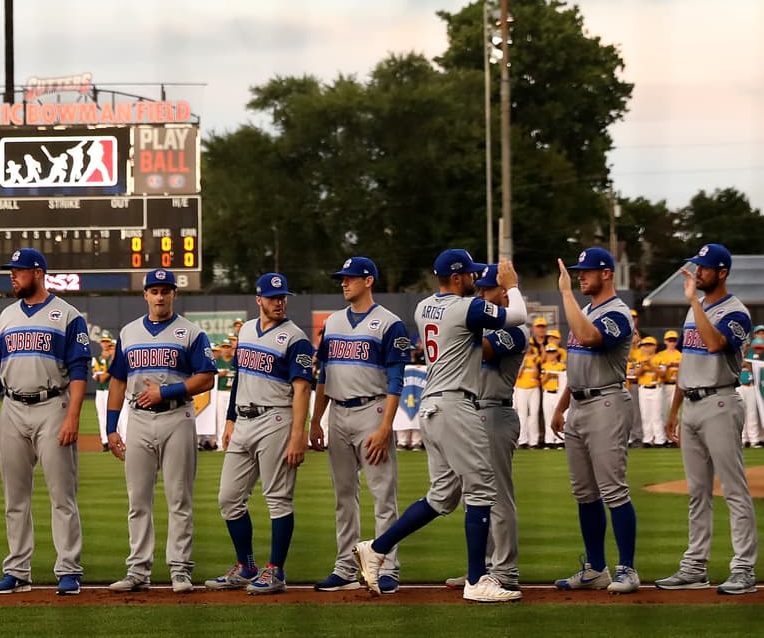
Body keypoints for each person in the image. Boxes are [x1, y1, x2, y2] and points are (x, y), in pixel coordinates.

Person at [352, 251, 527, 604]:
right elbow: (519, 316)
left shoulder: (423, 306)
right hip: (455, 404)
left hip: (432, 407)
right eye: (472, 276)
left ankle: (377, 547)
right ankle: (477, 580)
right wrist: (512, 286)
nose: (477, 282)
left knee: (442, 496)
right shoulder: (466, 309)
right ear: (459, 277)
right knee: (481, 491)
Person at [0, 248, 91, 596]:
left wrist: (73, 414)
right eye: (11, 271)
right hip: (12, 408)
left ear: (38, 272)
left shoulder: (67, 315)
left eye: (19, 271)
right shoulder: (6, 316)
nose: (12, 276)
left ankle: (69, 569)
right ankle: (17, 570)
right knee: (15, 497)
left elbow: (78, 369)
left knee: (62, 495)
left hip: (51, 406)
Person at [105, 268, 216, 595]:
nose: (160, 296)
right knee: (138, 500)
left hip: (176, 417)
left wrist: (165, 392)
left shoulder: (191, 333)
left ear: (174, 294)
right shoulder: (128, 333)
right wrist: (111, 428)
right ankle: (138, 570)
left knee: (179, 498)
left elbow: (207, 377)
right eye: (154, 290)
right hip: (138, 418)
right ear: (146, 295)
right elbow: (118, 380)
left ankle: (180, 570)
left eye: (165, 290)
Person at [657, 244, 758, 595]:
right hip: (693, 404)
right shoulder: (693, 312)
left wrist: (695, 304)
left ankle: (743, 568)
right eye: (697, 266)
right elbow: (688, 363)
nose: (698, 272)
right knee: (697, 492)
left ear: (722, 272)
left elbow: (716, 345)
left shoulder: (736, 312)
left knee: (733, 489)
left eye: (704, 268)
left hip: (721, 401)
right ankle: (694, 566)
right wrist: (674, 410)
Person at [205, 273, 315, 595]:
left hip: (276, 419)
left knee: (278, 499)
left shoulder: (296, 339)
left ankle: (276, 571)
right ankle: (246, 566)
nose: (278, 302)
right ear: (259, 300)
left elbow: (302, 389)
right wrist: (229, 419)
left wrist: (299, 434)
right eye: (272, 297)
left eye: (282, 297)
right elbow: (239, 376)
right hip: (243, 419)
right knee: (228, 498)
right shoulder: (248, 330)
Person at [310, 257, 412, 594]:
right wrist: (315, 419)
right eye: (342, 278)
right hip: (338, 413)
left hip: (372, 410)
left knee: (383, 494)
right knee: (344, 496)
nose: (344, 282)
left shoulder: (389, 323)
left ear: (368, 281)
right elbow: (323, 374)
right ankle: (345, 566)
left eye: (350, 278)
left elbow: (397, 378)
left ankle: (388, 567)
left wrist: (386, 426)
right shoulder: (334, 322)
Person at [550, 247, 640, 595]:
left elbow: (590, 338)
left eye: (587, 270)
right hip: (581, 404)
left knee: (613, 490)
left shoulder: (617, 313)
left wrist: (564, 293)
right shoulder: (586, 310)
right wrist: (561, 406)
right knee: (585, 494)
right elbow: (577, 366)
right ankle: (595, 568)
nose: (580, 276)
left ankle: (627, 569)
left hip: (607, 402)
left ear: (607, 273)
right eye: (578, 271)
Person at [442, 263, 528, 592]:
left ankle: (504, 571)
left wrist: (454, 329)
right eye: (478, 289)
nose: (480, 294)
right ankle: (481, 570)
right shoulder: (479, 321)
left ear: (503, 292)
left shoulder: (515, 329)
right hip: (471, 412)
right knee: (475, 498)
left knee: (499, 498)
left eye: (486, 289)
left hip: (494, 413)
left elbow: (485, 350)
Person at [635, 337, 666, 447]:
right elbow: (636, 374)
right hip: (643, 388)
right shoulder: (640, 358)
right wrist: (644, 365)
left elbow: (663, 374)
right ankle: (647, 439)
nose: (647, 347)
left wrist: (651, 365)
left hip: (656, 388)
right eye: (645, 345)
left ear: (655, 346)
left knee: (657, 416)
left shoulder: (660, 358)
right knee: (645, 415)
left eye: (650, 345)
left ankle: (659, 439)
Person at [514, 343, 542, 449]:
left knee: (534, 414)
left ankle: (533, 441)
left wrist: (533, 362)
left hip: (534, 388)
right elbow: (518, 375)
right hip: (521, 388)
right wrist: (524, 362)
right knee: (522, 414)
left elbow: (536, 375)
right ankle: (522, 440)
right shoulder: (519, 358)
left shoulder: (536, 358)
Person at [540, 344, 566, 448]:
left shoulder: (561, 366)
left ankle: (560, 440)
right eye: (549, 352)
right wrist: (548, 376)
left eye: (553, 352)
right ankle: (549, 441)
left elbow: (565, 381)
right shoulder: (544, 366)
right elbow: (541, 382)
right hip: (547, 392)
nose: (551, 354)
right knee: (548, 417)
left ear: (556, 353)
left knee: (560, 416)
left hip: (558, 393)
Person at [93, 334, 116, 452]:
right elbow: (98, 377)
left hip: (112, 390)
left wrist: (106, 372)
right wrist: (107, 372)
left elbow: (103, 376)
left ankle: (119, 439)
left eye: (107, 341)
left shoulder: (114, 358)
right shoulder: (97, 358)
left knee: (118, 416)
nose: (105, 343)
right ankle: (105, 441)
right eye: (103, 341)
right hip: (100, 390)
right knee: (102, 416)